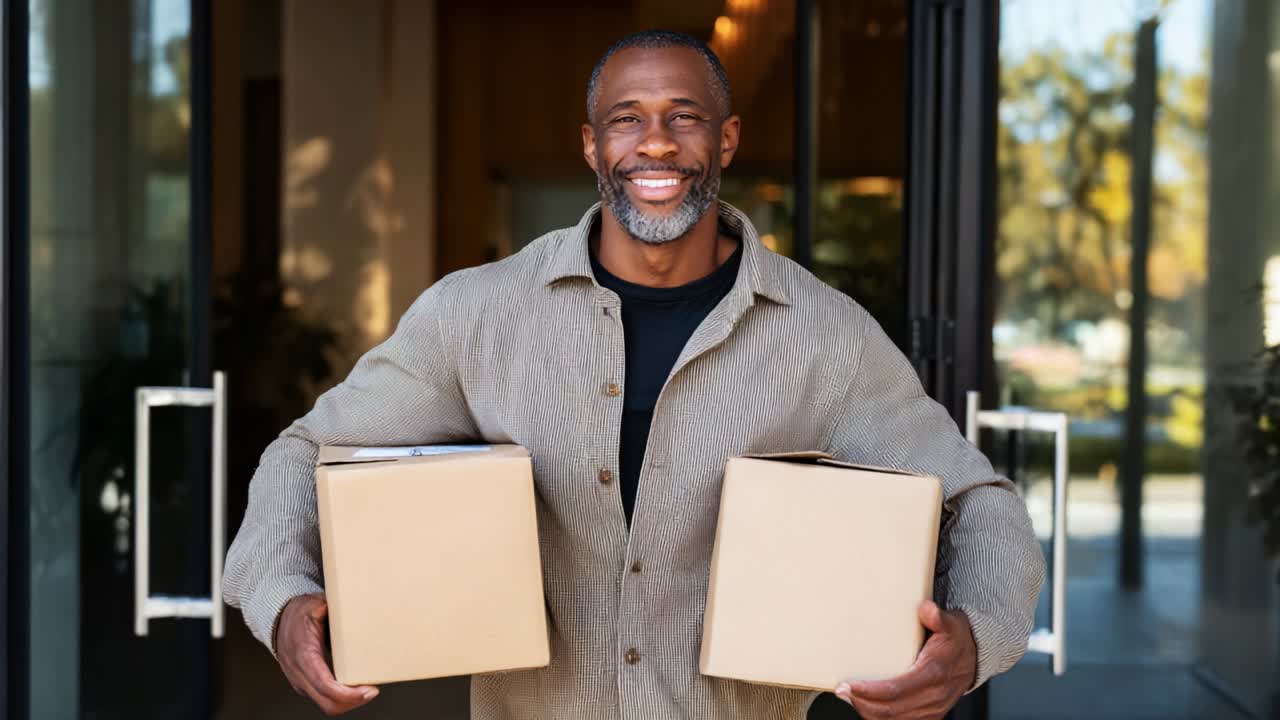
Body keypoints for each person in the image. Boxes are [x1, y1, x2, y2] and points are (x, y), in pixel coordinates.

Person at [224, 29, 1044, 720]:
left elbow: (977, 504)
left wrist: (973, 640)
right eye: (627, 120)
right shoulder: (474, 316)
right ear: (592, 145)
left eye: (684, 117)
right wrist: (284, 600)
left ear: (725, 140)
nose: (655, 143)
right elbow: (306, 453)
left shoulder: (824, 335)